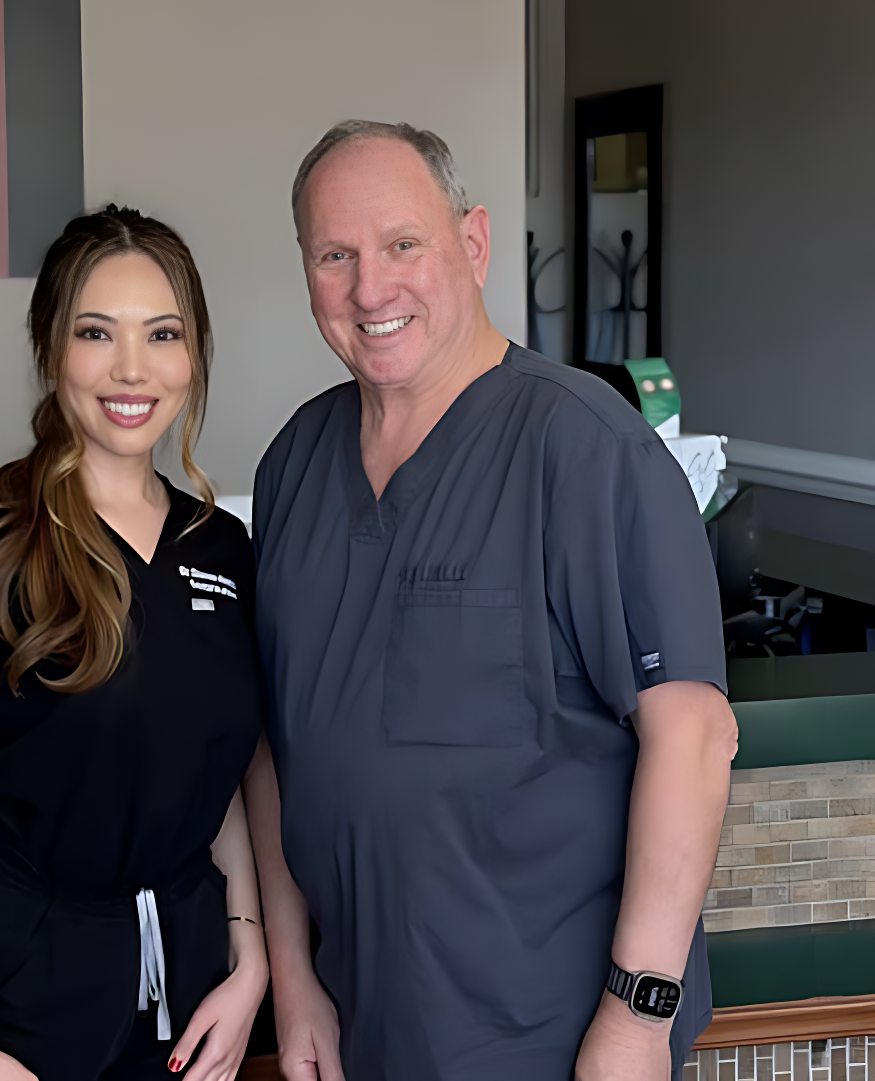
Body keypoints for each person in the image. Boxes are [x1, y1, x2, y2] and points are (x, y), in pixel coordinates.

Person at [243, 122, 738, 1081]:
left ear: (471, 245)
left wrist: (637, 1021)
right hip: (360, 1028)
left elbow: (694, 735)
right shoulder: (293, 466)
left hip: (547, 1036)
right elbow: (275, 746)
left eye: (401, 245)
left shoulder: (588, 451)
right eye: (334, 256)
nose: (370, 288)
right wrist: (296, 984)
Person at [0, 205, 268, 1081]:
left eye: (162, 333)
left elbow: (226, 776)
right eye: (98, 332)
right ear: (52, 349)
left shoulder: (222, 547)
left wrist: (251, 960)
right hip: (18, 990)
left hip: (193, 981)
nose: (131, 368)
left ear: (193, 353)